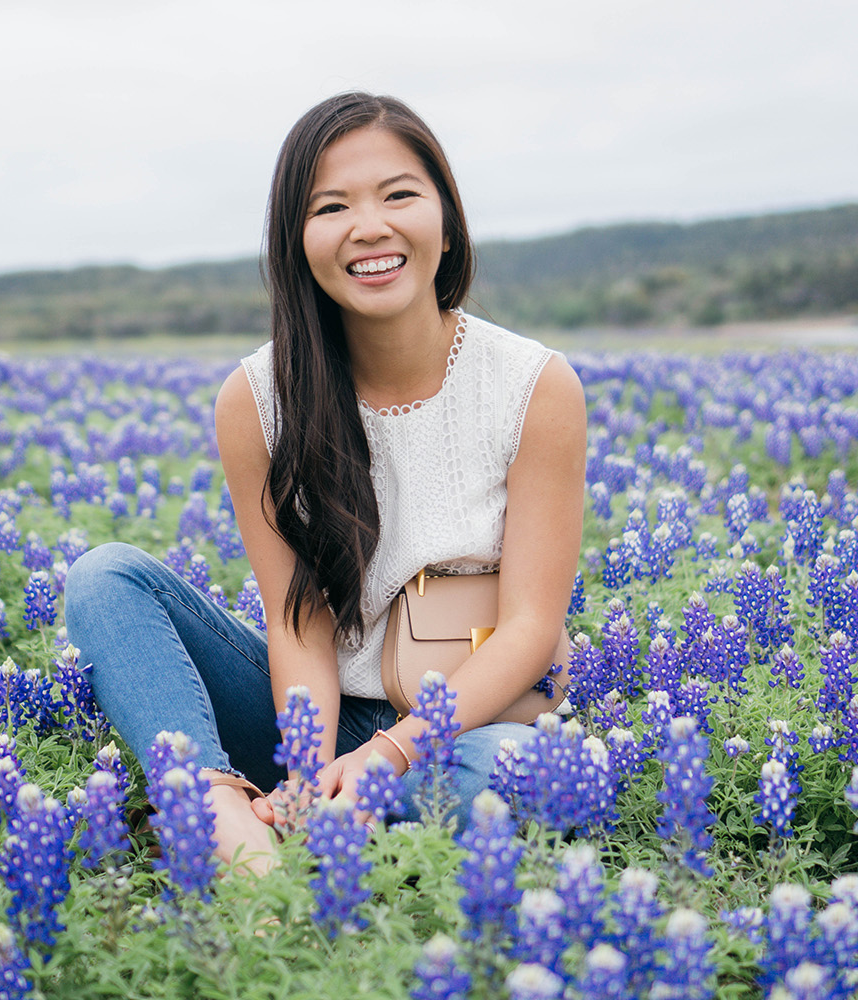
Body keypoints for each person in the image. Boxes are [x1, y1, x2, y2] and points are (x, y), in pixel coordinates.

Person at [64, 92, 586, 874]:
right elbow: (299, 622)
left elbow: (530, 628)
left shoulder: (533, 385)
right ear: (297, 241)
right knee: (105, 579)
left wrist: (390, 755)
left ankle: (321, 824)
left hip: (463, 729)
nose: (368, 226)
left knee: (525, 775)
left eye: (398, 195)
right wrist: (310, 771)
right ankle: (219, 810)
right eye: (331, 206)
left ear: (447, 223)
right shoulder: (256, 399)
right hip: (319, 721)